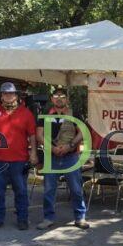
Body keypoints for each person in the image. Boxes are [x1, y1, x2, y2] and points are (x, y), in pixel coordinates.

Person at [0, 82, 37, 231]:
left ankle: (22, 219)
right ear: (1, 96)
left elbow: (32, 135)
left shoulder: (26, 113)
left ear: (16, 95)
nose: (8, 96)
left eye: (11, 93)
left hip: (19, 160)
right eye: (5, 93)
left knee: (21, 191)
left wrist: (34, 153)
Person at [36, 87, 89, 230]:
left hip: (71, 156)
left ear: (67, 99)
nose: (59, 98)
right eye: (56, 96)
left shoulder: (75, 113)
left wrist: (70, 145)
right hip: (51, 157)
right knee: (49, 190)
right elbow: (39, 134)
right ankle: (48, 218)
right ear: (52, 99)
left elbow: (83, 132)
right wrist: (52, 148)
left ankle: (80, 217)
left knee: (76, 189)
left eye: (62, 96)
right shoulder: (45, 113)